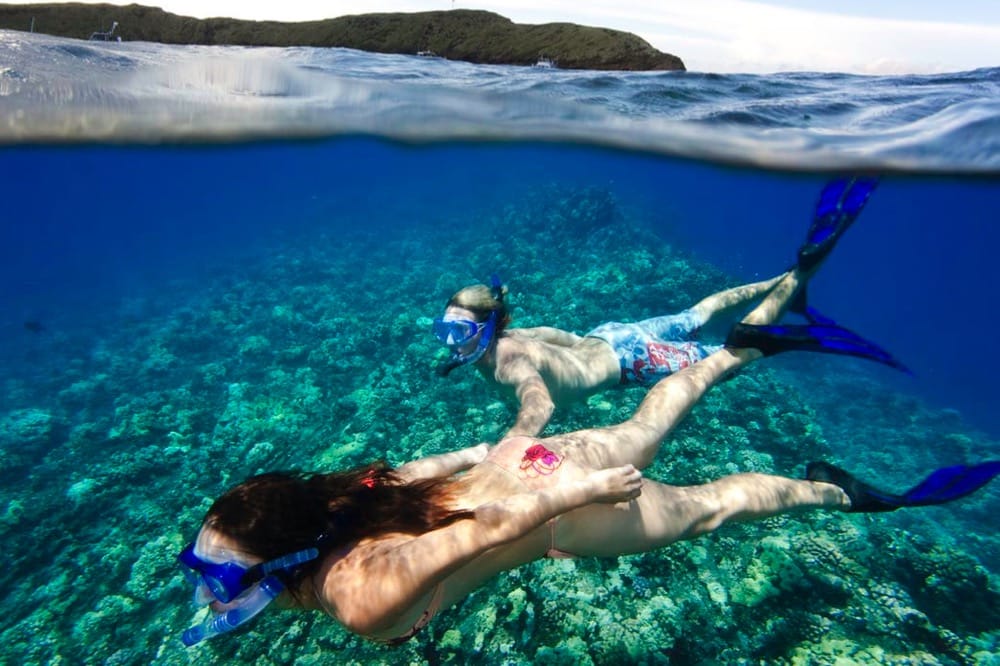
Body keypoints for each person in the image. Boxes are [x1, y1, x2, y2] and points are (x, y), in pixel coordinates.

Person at [175, 179, 999, 647]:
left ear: (280, 562)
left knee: (711, 508)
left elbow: (488, 531)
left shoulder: (355, 594)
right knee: (652, 414)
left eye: (218, 579)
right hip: (533, 465)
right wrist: (504, 452)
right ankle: (744, 347)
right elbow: (441, 470)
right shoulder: (339, 500)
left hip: (562, 506)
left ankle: (840, 491)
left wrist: (581, 494)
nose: (212, 593)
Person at [433, 179, 906, 440]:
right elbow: (564, 338)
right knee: (696, 313)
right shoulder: (518, 334)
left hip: (632, 360)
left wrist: (512, 445)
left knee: (733, 354)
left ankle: (799, 277)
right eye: (445, 331)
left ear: (488, 329)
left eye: (460, 332)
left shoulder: (509, 362)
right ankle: (780, 278)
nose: (451, 343)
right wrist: (581, 362)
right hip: (611, 334)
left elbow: (540, 402)